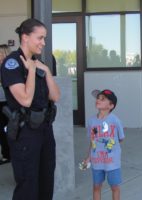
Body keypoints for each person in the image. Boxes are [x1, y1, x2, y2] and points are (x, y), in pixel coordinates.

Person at [0, 18, 60, 200]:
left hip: (45, 130)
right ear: (25, 37)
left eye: (45, 38)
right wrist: (32, 72)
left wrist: (46, 71)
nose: (43, 42)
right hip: (26, 133)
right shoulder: (12, 63)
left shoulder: (38, 63)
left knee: (46, 181)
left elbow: (55, 96)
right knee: (28, 185)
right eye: (40, 38)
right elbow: (25, 100)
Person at [82, 89, 125, 200]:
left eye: (103, 99)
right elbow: (92, 141)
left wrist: (110, 148)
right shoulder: (91, 121)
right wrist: (89, 157)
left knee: (115, 187)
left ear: (111, 105)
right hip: (97, 161)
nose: (98, 100)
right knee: (96, 187)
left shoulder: (115, 121)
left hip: (112, 163)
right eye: (98, 98)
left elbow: (120, 139)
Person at [0, 44, 11, 165]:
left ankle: (8, 155)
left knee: (7, 129)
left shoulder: (8, 67)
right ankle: (6, 154)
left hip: (6, 103)